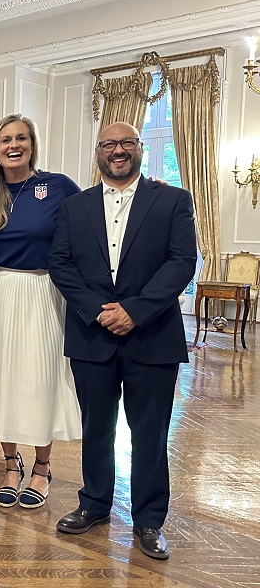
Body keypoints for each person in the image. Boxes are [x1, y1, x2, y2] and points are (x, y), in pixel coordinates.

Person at [49, 122, 196, 560]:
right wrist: (98, 309)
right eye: (109, 144)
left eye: (126, 143)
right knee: (96, 428)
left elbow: (181, 261)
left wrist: (136, 310)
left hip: (152, 336)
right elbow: (61, 263)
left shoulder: (171, 200)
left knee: (149, 432)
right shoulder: (75, 207)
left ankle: (149, 519)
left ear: (138, 150)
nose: (118, 150)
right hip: (92, 334)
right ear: (98, 152)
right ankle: (93, 504)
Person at [0, 114, 83, 509]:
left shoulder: (58, 187)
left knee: (39, 381)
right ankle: (11, 465)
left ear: (32, 144)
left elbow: (90, 231)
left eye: (21, 138)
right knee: (3, 381)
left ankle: (41, 467)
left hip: (42, 293)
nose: (13, 145)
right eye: (5, 140)